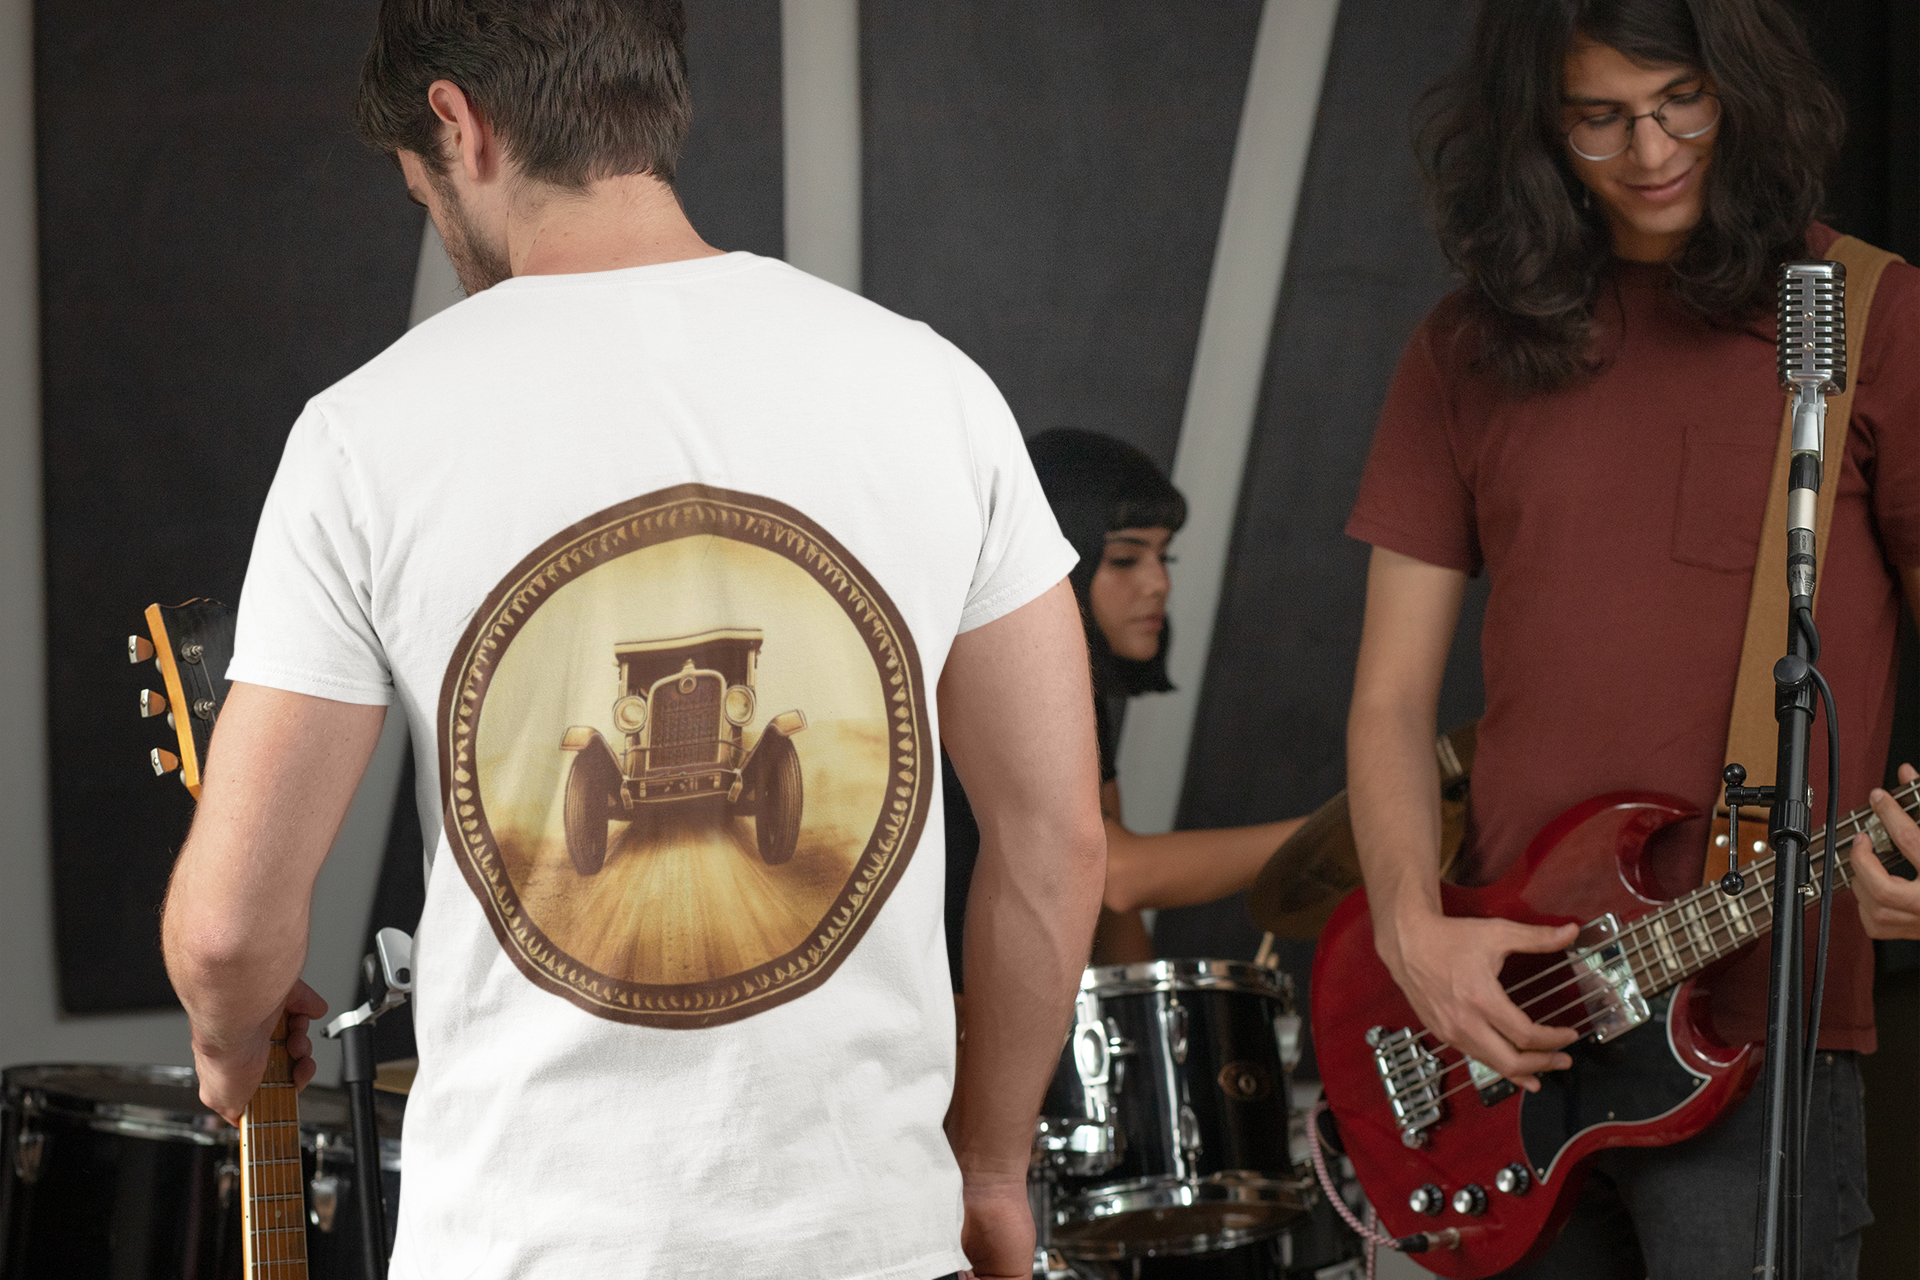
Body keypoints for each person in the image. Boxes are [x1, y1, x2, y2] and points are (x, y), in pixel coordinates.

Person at [158, 4, 1106, 1279]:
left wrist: (228, 1042)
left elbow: (230, 933)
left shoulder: (360, 435)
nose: (434, 221)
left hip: (530, 1246)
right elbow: (1055, 839)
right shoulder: (936, 389)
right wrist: (988, 1165)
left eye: (419, 191)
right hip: (872, 1241)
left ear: (459, 125)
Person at [1344, 1, 1920, 1275]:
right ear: (1535, 132)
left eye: (1681, 104)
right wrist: (1411, 932)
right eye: (1597, 120)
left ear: (1743, 89)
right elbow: (1388, 698)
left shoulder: (1865, 314)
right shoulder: (1466, 347)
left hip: (1760, 1020)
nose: (1650, 151)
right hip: (1506, 1034)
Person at [944, 430, 1305, 976]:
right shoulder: (996, 680)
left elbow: (1110, 913)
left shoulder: (1078, 696)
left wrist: (1146, 1023)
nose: (1159, 583)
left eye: (1164, 556)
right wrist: (1345, 832)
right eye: (1125, 559)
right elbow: (1118, 876)